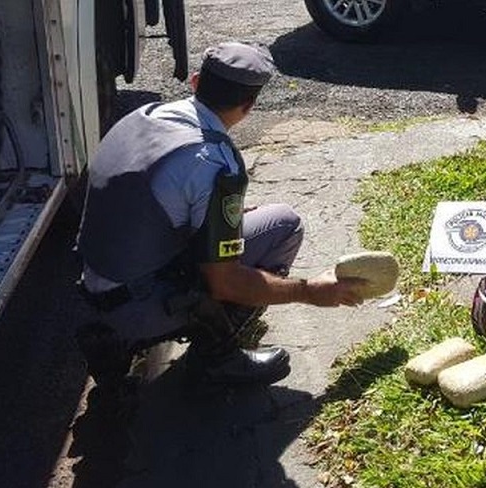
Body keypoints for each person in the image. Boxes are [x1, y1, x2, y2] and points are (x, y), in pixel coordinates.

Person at [74, 41, 363, 388]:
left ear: (195, 82)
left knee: (263, 223)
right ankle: (217, 356)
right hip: (137, 303)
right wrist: (310, 291)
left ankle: (115, 344)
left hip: (94, 287)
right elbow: (226, 283)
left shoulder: (145, 116)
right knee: (285, 227)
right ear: (248, 105)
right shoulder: (213, 162)